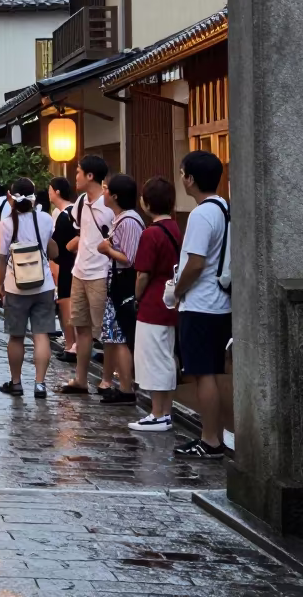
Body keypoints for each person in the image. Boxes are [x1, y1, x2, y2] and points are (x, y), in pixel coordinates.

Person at [173, 151, 231, 459]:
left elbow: (195, 263)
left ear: (191, 179)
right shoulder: (224, 207)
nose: (181, 178)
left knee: (203, 374)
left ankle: (210, 440)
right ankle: (214, 436)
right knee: (213, 373)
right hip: (221, 301)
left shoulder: (200, 214)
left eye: (183, 173)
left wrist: (177, 290)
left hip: (200, 303)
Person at [0, 177, 58, 398]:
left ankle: (16, 382)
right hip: (43, 284)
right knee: (41, 335)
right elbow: (52, 250)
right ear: (34, 197)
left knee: (16, 336)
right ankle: (40, 384)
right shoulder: (45, 219)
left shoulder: (6, 224)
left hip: (15, 286)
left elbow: (2, 259)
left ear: (10, 197)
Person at [129, 176, 182, 432]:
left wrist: (137, 297)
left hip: (153, 302)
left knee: (153, 358)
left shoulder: (151, 233)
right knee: (166, 357)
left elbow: (143, 274)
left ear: (147, 203)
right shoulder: (175, 228)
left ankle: (158, 413)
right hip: (171, 299)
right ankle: (165, 412)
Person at [59, 155, 115, 395]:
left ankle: (107, 380)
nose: (76, 177)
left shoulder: (109, 204)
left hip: (101, 272)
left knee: (106, 332)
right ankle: (80, 379)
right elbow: (82, 232)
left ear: (90, 176)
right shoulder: (81, 202)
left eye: (79, 172)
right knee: (81, 327)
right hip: (79, 271)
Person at [96, 173, 143, 405]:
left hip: (124, 284)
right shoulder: (121, 219)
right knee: (114, 336)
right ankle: (122, 385)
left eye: (106, 189)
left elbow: (130, 259)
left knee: (121, 336)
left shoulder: (129, 221)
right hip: (116, 282)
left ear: (115, 196)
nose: (103, 193)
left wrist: (107, 250)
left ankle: (126, 388)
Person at [48, 177, 78, 361]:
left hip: (66, 264)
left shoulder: (64, 215)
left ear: (57, 191)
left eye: (50, 189)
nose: (49, 193)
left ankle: (70, 345)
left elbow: (57, 246)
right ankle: (72, 344)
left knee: (66, 304)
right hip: (75, 264)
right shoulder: (74, 210)